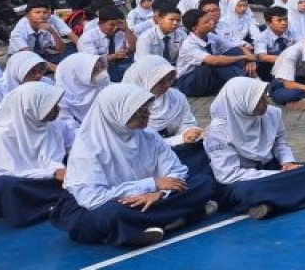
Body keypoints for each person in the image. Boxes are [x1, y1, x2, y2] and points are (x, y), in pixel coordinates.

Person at [51, 83, 217, 247]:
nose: (146, 114)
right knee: (110, 214)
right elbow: (92, 198)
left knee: (204, 182)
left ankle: (141, 226)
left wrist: (160, 194)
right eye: (137, 111)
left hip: (152, 198)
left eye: (146, 108)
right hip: (115, 202)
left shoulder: (149, 135)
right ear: (114, 113)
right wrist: (151, 185)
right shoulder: (88, 147)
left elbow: (176, 171)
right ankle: (180, 215)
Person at [204, 77, 305, 220]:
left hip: (273, 170)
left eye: (264, 97)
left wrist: (288, 163)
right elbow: (228, 176)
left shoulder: (272, 113)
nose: (266, 103)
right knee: (248, 191)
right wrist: (278, 174)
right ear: (241, 103)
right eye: (258, 100)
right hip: (243, 180)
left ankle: (272, 202)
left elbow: (280, 143)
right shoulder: (217, 131)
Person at [0, 82, 70, 226]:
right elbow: (5, 172)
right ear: (31, 107)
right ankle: (50, 205)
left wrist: (61, 170)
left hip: (43, 177)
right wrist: (52, 173)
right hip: (17, 180)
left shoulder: (53, 127)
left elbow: (66, 150)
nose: (58, 109)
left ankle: (53, 203)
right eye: (51, 106)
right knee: (4, 186)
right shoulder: (2, 134)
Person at [121, 56, 207, 175]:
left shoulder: (176, 97)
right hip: (146, 157)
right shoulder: (129, 108)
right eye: (160, 81)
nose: (167, 85)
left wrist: (190, 131)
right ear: (144, 80)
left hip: (177, 147)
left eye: (169, 80)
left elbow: (186, 121)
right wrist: (179, 139)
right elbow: (140, 146)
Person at [175, 8, 256, 98]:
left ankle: (245, 82)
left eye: (210, 19)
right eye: (206, 22)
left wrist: (250, 60)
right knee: (216, 64)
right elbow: (214, 61)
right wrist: (244, 57)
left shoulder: (210, 35)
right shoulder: (189, 44)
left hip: (207, 76)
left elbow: (238, 47)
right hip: (189, 82)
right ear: (195, 28)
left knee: (235, 52)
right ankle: (246, 87)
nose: (212, 22)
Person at [0, 50, 49, 131]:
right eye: (32, 71)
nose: (38, 75)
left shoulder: (46, 83)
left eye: (41, 69)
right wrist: (18, 131)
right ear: (18, 71)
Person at [77, 6, 138, 82]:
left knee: (139, 70)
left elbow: (133, 49)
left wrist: (127, 30)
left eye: (118, 24)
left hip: (120, 63)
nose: (115, 28)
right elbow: (92, 62)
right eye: (112, 24)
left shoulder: (121, 31)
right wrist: (114, 56)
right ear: (100, 24)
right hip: (99, 69)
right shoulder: (88, 38)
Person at [8, 0, 72, 67]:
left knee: (69, 56)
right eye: (37, 12)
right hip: (22, 58)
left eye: (45, 12)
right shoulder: (19, 30)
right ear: (27, 15)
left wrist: (52, 31)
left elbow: (61, 49)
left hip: (41, 55)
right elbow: (30, 56)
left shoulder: (47, 24)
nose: (42, 15)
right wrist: (55, 68)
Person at [56, 53, 110, 129]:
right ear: (77, 74)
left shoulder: (100, 82)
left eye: (102, 68)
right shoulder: (61, 95)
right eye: (95, 70)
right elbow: (67, 123)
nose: (102, 73)